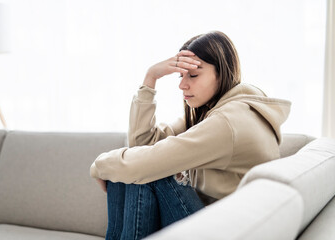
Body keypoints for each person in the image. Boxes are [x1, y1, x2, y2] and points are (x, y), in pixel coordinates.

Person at [90, 31, 291, 239]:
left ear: (221, 73)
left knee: (146, 169)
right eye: (181, 75)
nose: (182, 85)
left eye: (193, 75)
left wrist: (101, 165)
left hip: (226, 232)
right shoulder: (213, 112)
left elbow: (150, 160)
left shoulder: (228, 122)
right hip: (213, 222)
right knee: (134, 168)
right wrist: (151, 77)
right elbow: (142, 143)